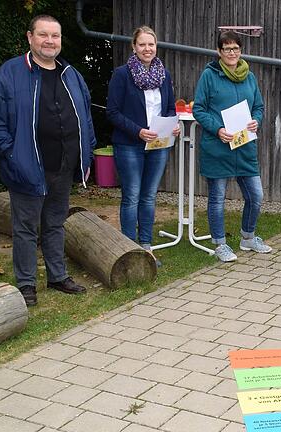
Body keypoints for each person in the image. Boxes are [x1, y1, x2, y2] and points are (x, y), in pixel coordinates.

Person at [0, 15, 96, 306]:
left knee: (56, 223)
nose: (49, 41)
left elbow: (86, 118)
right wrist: (10, 154)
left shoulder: (71, 73)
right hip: (27, 167)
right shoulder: (10, 73)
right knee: (26, 228)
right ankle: (27, 283)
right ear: (30, 37)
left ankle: (57, 276)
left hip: (63, 165)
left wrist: (87, 153)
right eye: (43, 35)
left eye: (54, 36)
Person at [193, 31, 271, 262]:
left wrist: (257, 120)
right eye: (227, 49)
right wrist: (218, 129)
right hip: (218, 147)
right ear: (219, 52)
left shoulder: (250, 77)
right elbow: (199, 109)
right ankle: (220, 244)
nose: (232, 53)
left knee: (256, 196)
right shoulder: (210, 76)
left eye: (235, 48)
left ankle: (248, 237)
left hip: (244, 147)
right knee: (217, 198)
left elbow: (258, 106)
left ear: (241, 50)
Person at [106, 25, 179, 266]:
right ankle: (128, 250)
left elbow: (169, 108)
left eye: (151, 44)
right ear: (134, 47)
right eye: (142, 44)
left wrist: (173, 124)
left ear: (156, 47)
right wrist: (138, 131)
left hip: (158, 144)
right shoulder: (122, 74)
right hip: (129, 144)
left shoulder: (163, 75)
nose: (147, 49)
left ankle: (146, 248)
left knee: (148, 197)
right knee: (132, 197)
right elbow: (113, 113)